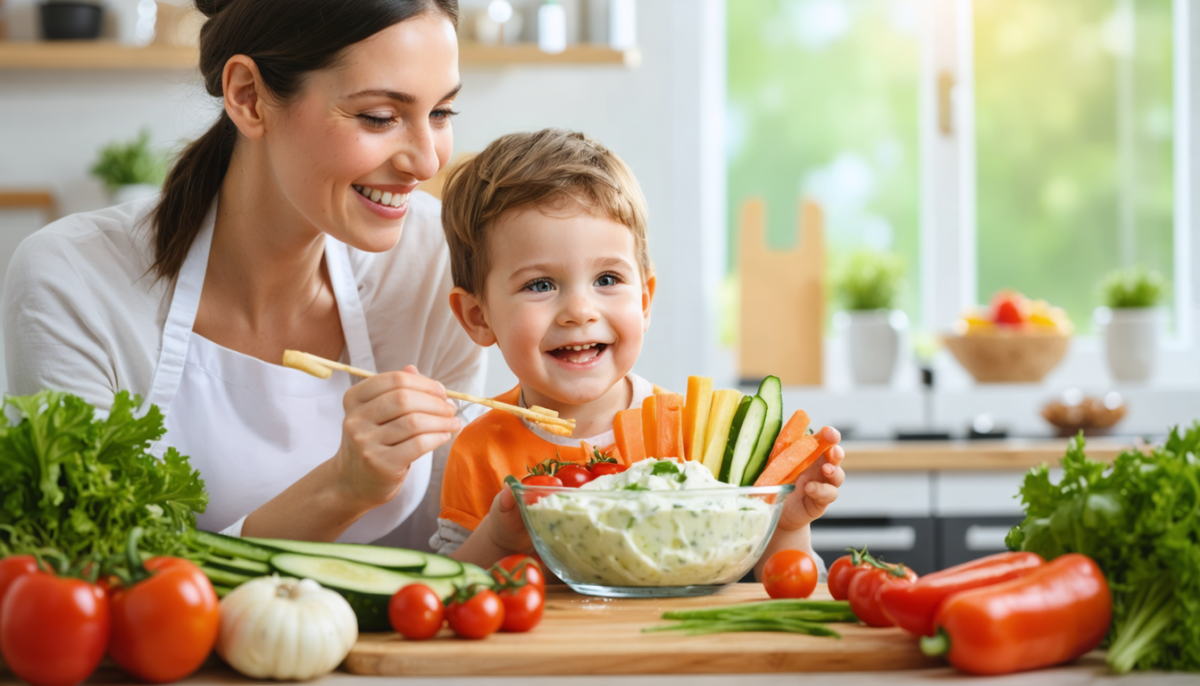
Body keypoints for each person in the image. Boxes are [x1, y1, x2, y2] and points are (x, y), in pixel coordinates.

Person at [2, 0, 481, 551]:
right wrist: (341, 488)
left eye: (442, 114)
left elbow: (459, 537)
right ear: (248, 97)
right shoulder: (73, 282)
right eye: (379, 116)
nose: (426, 161)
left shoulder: (438, 262)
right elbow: (90, 569)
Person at [432, 129, 845, 578]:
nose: (579, 311)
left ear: (645, 301)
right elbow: (448, 588)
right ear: (478, 316)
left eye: (607, 279)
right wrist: (497, 537)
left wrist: (782, 527)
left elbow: (783, 583)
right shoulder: (477, 451)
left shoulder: (698, 437)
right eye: (541, 285)